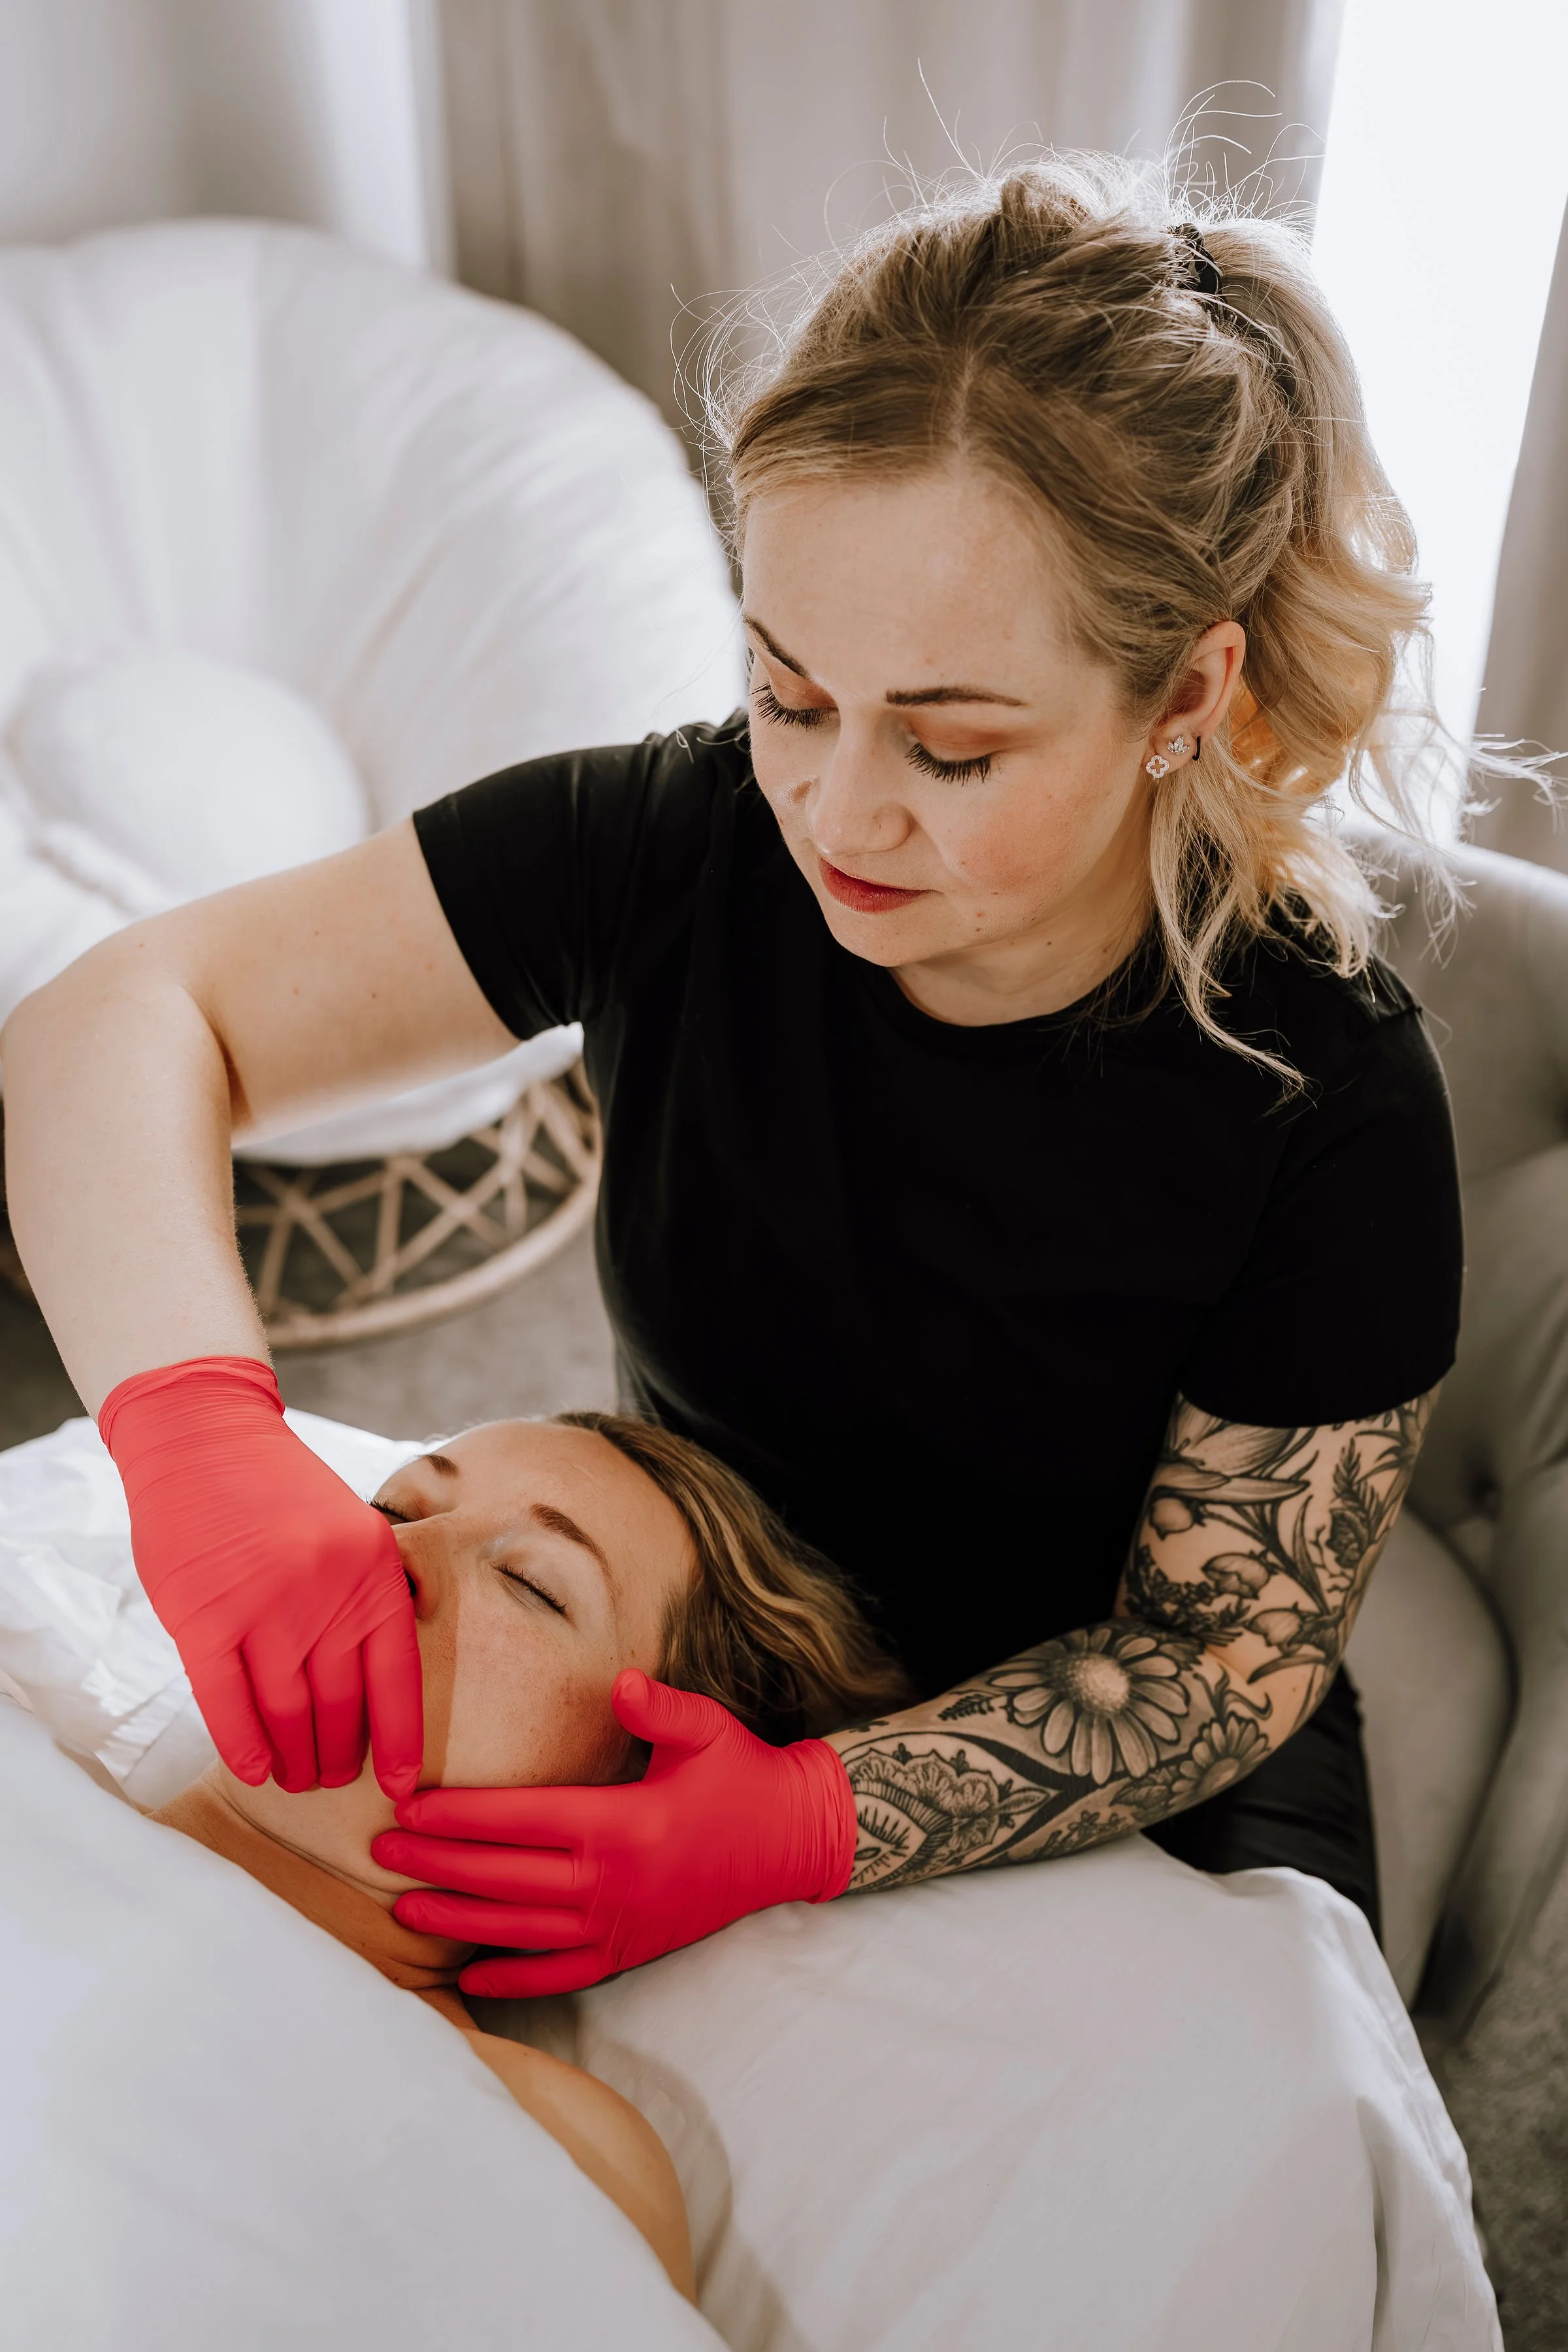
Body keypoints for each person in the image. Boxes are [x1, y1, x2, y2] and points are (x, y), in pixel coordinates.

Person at [3, 152, 1484, 2000]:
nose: (835, 810)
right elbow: (117, 1019)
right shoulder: (683, 839)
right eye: (791, 691)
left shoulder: (1324, 1106)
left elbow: (1208, 1664)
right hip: (681, 1645)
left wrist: (793, 1823)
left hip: (1106, 1781)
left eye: (949, 747)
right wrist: (197, 1435)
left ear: (1185, 698)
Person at [150, 1407, 908, 2300]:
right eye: (392, 1508)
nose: (389, 1554)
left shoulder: (548, 2144)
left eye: (531, 1582)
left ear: (633, 1789)